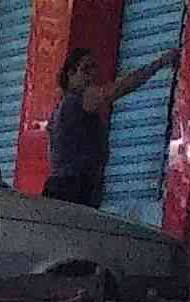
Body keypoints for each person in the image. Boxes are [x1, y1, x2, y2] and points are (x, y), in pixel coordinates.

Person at [44, 34, 176, 208]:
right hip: (74, 188)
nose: (92, 75)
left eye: (94, 68)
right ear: (71, 73)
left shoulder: (59, 108)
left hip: (65, 187)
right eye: (86, 69)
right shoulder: (77, 100)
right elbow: (121, 87)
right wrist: (159, 64)